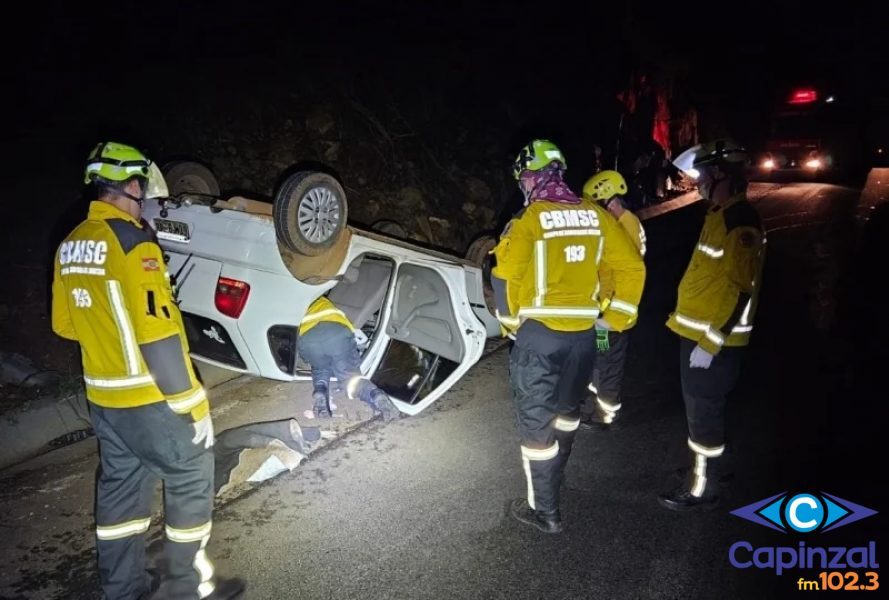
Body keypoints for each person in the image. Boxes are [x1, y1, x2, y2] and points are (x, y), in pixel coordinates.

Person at [51, 142, 245, 599]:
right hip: (149, 399)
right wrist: (192, 403)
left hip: (104, 401)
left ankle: (124, 592)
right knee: (192, 473)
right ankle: (184, 589)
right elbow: (157, 336)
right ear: (133, 185)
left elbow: (64, 324)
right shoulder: (135, 243)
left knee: (121, 495)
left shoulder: (71, 244)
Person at [492, 139, 646, 533]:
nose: (523, 186)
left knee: (535, 425)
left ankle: (545, 510)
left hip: (539, 338)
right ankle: (556, 477)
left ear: (531, 177)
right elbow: (631, 268)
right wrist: (615, 318)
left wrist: (511, 327)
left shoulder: (528, 220)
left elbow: (502, 277)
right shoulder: (595, 215)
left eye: (523, 179)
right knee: (567, 413)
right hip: (582, 338)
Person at [658, 139, 766, 511]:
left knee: (702, 414)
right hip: (700, 335)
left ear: (723, 174)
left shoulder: (739, 222)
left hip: (712, 343)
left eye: (704, 173)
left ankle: (702, 486)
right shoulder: (719, 214)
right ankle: (710, 469)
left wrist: (711, 342)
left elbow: (740, 289)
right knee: (704, 411)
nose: (699, 181)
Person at [579, 170, 647, 431]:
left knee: (606, 366)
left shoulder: (625, 226)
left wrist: (609, 317)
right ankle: (596, 406)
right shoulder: (624, 223)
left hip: (613, 316)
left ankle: (605, 415)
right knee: (600, 362)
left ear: (611, 202)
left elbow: (627, 272)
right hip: (608, 311)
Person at [298, 296, 399, 422]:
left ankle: (320, 390)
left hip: (307, 339)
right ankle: (375, 396)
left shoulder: (301, 304)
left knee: (320, 368)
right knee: (349, 377)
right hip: (337, 333)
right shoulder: (324, 302)